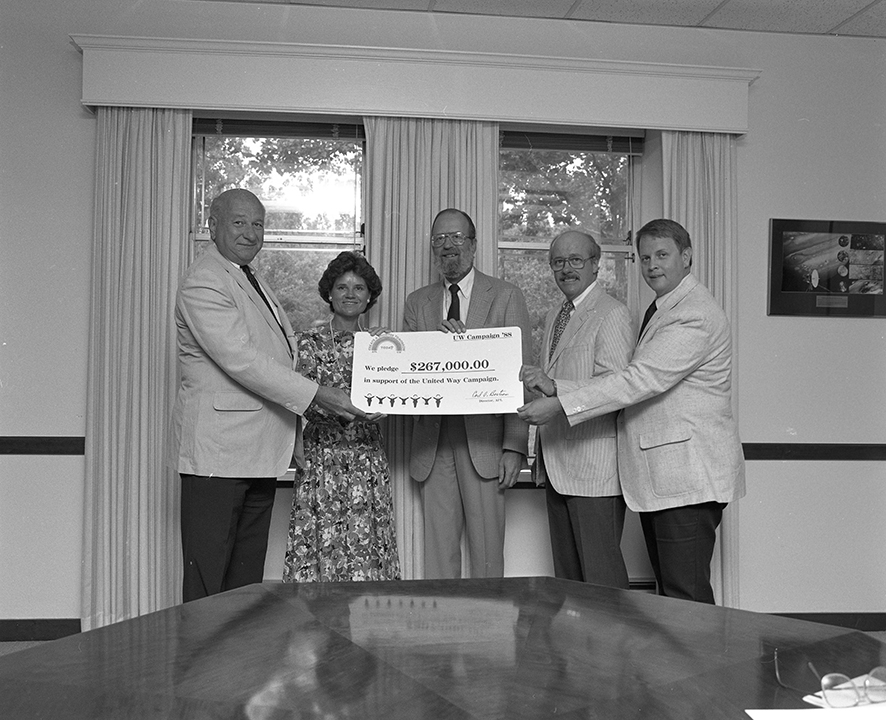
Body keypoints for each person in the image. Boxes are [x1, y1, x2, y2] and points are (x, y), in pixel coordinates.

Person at [518, 218, 745, 604]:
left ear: (687, 257)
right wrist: (557, 387)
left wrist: (559, 402)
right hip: (667, 476)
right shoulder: (663, 308)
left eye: (662, 255)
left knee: (685, 599)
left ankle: (704, 667)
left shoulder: (693, 314)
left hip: (688, 474)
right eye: (644, 257)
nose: (652, 265)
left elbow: (638, 380)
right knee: (673, 597)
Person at [169, 188, 365, 603]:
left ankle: (239, 668)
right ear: (213, 225)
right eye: (239, 222)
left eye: (258, 224)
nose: (250, 232)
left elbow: (279, 356)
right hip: (218, 459)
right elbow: (241, 360)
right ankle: (201, 671)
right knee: (208, 589)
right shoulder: (204, 279)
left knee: (243, 589)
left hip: (257, 454)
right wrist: (318, 396)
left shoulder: (248, 277)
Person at [404, 208, 532, 579]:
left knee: (488, 551)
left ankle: (491, 631)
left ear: (473, 245)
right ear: (432, 247)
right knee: (438, 552)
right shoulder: (417, 302)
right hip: (433, 439)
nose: (448, 246)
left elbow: (520, 375)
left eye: (457, 238)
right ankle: (442, 629)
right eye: (440, 239)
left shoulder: (506, 295)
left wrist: (514, 446)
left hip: (486, 439)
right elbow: (409, 370)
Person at [520, 230, 634, 588]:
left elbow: (615, 388)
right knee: (569, 584)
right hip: (557, 465)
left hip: (593, 470)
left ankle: (609, 647)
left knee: (601, 583)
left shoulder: (612, 314)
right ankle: (575, 646)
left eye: (575, 260)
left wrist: (555, 394)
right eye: (558, 262)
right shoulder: (558, 313)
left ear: (596, 264)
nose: (566, 269)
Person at [282, 251, 400, 582]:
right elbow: (297, 399)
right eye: (342, 287)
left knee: (367, 545)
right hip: (323, 457)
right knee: (322, 545)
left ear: (370, 296)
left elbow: (402, 395)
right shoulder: (307, 342)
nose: (350, 294)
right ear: (329, 294)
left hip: (367, 457)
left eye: (359, 287)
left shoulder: (384, 343)